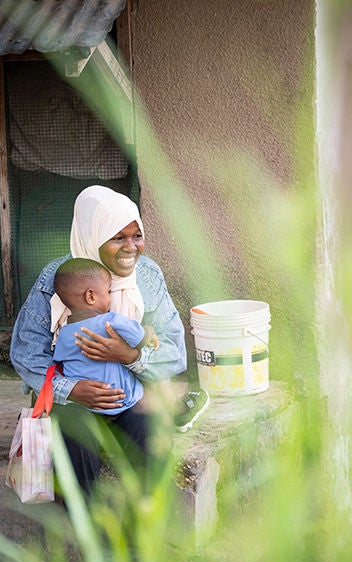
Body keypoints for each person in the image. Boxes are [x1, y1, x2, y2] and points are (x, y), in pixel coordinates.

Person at [10, 185, 207, 496]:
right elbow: (26, 353)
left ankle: (143, 532)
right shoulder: (57, 278)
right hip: (72, 400)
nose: (131, 247)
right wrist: (72, 389)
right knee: (74, 442)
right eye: (118, 237)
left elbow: (174, 353)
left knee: (151, 435)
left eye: (136, 236)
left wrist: (131, 357)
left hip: (131, 394)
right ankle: (86, 532)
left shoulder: (148, 277)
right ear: (93, 235)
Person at [52, 257, 160, 416]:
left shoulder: (64, 334)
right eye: (108, 292)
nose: (111, 298)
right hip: (124, 400)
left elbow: (59, 363)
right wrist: (149, 330)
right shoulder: (112, 321)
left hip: (87, 405)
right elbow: (140, 338)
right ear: (91, 296)